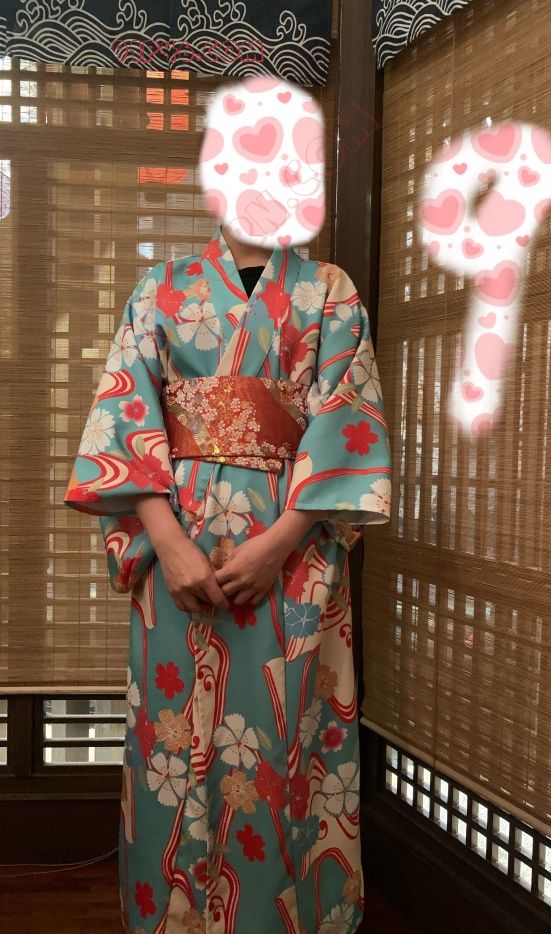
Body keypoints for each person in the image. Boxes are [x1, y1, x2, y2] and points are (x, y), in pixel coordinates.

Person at [64, 221, 392, 933]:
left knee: (287, 737)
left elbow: (348, 427)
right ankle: (170, 915)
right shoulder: (162, 288)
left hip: (294, 553)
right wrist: (167, 542)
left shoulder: (328, 290)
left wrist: (280, 545)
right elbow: (125, 418)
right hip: (173, 548)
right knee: (170, 735)